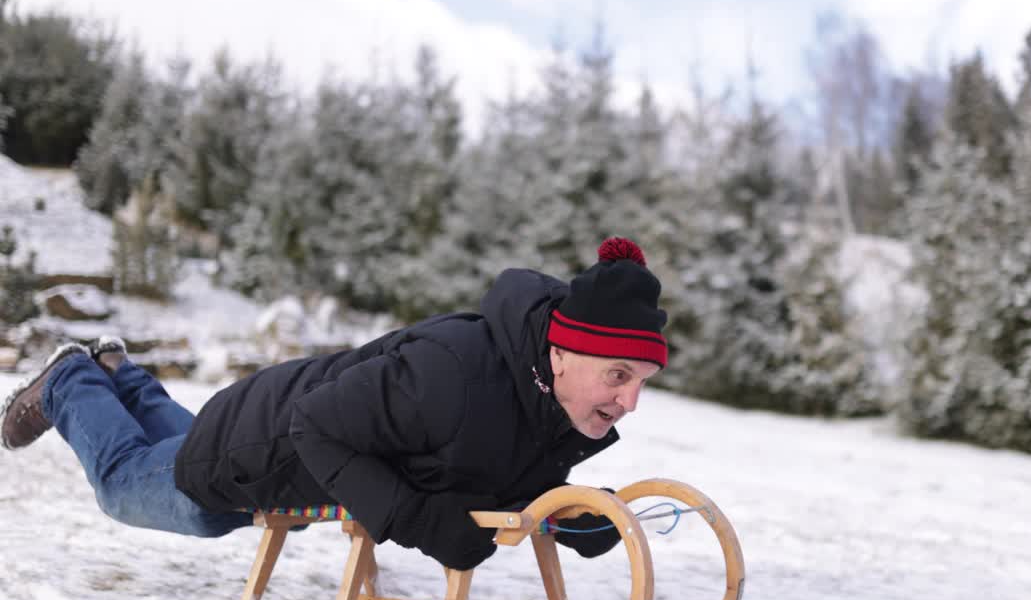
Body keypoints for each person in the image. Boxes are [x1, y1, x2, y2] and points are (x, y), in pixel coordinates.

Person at [1, 237, 667, 571]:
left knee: (180, 449)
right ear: (562, 353)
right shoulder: (455, 377)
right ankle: (70, 381)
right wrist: (414, 517)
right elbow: (312, 425)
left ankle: (119, 371)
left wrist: (565, 512)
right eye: (618, 374)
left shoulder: (546, 401)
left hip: (261, 422)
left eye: (641, 380)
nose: (630, 400)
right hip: (267, 444)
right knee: (138, 487)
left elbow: (500, 465)